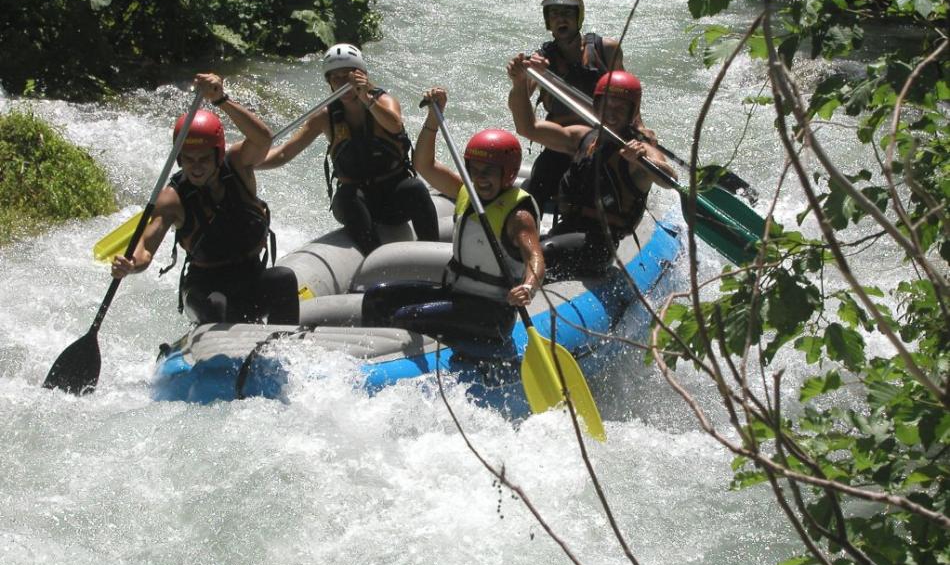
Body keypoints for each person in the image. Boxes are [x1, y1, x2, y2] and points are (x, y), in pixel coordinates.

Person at [111, 73, 299, 325]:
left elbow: (262, 139)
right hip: (205, 289)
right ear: (179, 159)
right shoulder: (172, 198)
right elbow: (146, 246)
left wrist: (221, 99)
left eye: (203, 159)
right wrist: (131, 264)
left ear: (218, 155)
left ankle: (280, 350)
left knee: (284, 279)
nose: (196, 167)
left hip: (250, 276)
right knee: (217, 305)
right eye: (188, 159)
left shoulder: (238, 167)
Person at [361, 87, 544, 342]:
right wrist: (433, 121)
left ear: (509, 173)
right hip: (455, 295)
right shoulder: (465, 191)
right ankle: (370, 361)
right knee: (376, 298)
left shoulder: (518, 215)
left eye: (488, 172)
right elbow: (424, 165)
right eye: (474, 169)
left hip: (491, 312)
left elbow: (535, 257)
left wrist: (528, 287)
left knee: (405, 316)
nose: (480, 179)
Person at [258, 43, 439, 255]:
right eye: (336, 78)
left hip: (393, 197)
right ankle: (374, 258)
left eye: (349, 76)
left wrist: (365, 97)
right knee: (347, 196)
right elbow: (283, 153)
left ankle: (433, 255)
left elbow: (394, 125)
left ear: (362, 76)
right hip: (357, 202)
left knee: (415, 188)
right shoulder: (324, 116)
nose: (343, 83)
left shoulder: (383, 101)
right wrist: (246, 163)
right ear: (329, 82)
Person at [508, 55, 676, 279]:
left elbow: (669, 179)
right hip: (565, 228)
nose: (612, 112)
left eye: (620, 107)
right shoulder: (583, 137)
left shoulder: (639, 150)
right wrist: (519, 84)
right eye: (607, 105)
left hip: (598, 245)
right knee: (514, 249)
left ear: (632, 112)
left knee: (540, 253)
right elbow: (527, 128)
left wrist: (643, 160)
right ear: (597, 105)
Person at [526, 0, 626, 212]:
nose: (561, 19)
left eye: (568, 13)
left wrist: (639, 129)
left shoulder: (607, 51)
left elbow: (629, 96)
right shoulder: (541, 60)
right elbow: (522, 99)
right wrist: (522, 75)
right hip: (560, 143)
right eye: (554, 14)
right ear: (548, 22)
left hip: (601, 143)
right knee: (538, 185)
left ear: (579, 16)